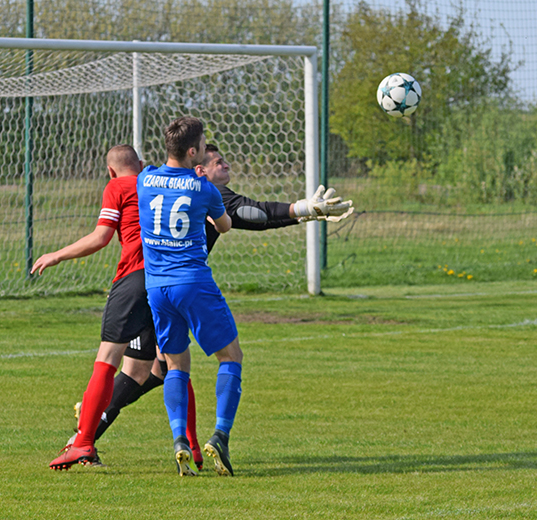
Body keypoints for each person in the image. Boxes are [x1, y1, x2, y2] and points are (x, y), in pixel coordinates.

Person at [88, 143, 354, 471]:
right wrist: (304, 209)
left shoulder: (157, 180)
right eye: (216, 161)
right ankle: (90, 430)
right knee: (160, 366)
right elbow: (254, 213)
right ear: (198, 165)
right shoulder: (205, 191)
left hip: (154, 287)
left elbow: (250, 211)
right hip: (161, 285)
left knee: (153, 369)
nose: (225, 164)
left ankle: (98, 427)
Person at [31, 144, 201, 471]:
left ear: (110, 171)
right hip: (170, 280)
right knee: (176, 364)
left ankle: (82, 443)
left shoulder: (117, 186)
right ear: (141, 164)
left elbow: (101, 237)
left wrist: (57, 255)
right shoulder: (155, 182)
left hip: (135, 279)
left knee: (107, 359)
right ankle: (192, 445)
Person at [136, 116, 241, 477]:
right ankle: (220, 436)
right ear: (194, 151)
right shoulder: (204, 188)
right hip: (193, 282)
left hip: (157, 288)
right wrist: (206, 190)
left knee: (176, 365)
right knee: (230, 356)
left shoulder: (144, 178)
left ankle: (180, 440)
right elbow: (224, 225)